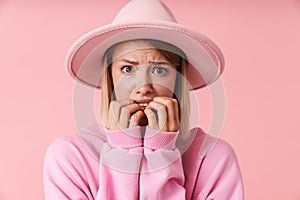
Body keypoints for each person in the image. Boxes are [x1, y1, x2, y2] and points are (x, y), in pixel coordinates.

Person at [43, 0, 244, 199]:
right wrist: (123, 151)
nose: (143, 87)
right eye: (128, 69)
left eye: (159, 70)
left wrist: (161, 152)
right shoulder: (69, 156)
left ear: (178, 80)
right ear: (110, 78)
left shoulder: (214, 158)